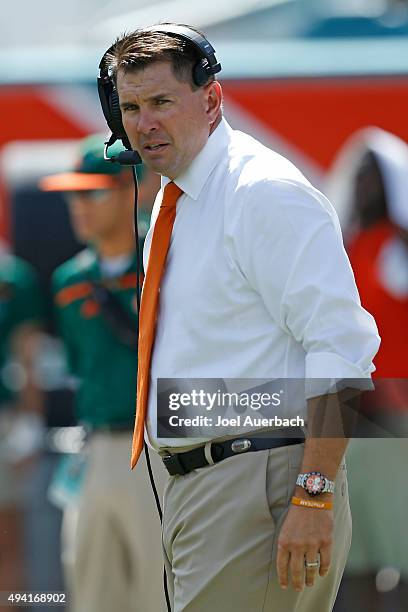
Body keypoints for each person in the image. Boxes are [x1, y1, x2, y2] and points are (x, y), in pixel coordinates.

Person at [101, 25, 380, 612]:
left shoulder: (263, 191)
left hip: (260, 483)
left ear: (211, 100)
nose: (143, 122)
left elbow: (340, 349)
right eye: (128, 107)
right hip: (209, 483)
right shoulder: (176, 193)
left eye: (160, 102)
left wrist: (312, 497)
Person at [39, 135, 166, 612]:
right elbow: (78, 367)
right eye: (73, 194)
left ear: (129, 188)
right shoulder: (68, 280)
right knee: (92, 590)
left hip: (158, 445)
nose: (79, 206)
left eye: (91, 192)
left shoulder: (166, 259)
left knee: (159, 590)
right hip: (94, 449)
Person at [325, 128, 408, 612]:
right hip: (350, 417)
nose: (363, 185)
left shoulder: (399, 251)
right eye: (359, 176)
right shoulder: (345, 247)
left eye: (373, 176)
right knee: (352, 550)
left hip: (395, 420)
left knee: (399, 546)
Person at [0, 242, 45, 608]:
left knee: (7, 540)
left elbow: (27, 356)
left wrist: (30, 422)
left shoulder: (14, 276)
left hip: (3, 419)